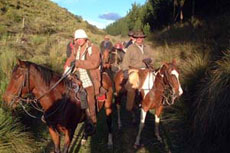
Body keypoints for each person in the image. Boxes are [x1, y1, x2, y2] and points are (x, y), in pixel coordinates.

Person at [64, 29, 102, 135]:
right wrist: (67, 64)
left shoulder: (93, 48)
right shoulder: (76, 47)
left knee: (90, 96)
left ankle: (92, 120)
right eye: (77, 39)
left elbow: (94, 63)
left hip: (89, 74)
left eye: (80, 38)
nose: (79, 40)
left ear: (85, 38)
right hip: (76, 73)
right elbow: (71, 58)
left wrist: (78, 63)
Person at [120, 30, 154, 112]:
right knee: (132, 86)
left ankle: (153, 102)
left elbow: (153, 57)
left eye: (141, 37)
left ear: (143, 38)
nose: (139, 39)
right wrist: (125, 70)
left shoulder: (147, 47)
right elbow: (125, 60)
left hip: (147, 69)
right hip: (135, 69)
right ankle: (129, 106)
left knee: (156, 82)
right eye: (137, 37)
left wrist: (150, 60)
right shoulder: (131, 48)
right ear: (135, 38)